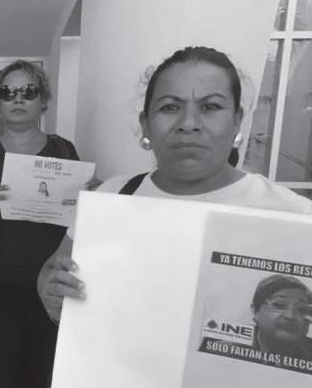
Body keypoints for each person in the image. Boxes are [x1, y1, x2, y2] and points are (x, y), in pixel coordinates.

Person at [37, 46, 312, 322]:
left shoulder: (293, 216)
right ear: (146, 123)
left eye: (210, 107)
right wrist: (52, 292)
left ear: (237, 120)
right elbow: (53, 269)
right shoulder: (114, 195)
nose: (188, 123)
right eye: (170, 107)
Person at [0, 60, 80, 388]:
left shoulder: (64, 152)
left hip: (49, 291)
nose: (18, 99)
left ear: (43, 101)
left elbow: (81, 217)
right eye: (8, 92)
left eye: (28, 91)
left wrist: (88, 196)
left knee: (34, 385)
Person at [251, 274, 312, 359]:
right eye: (279, 305)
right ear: (255, 311)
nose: (290, 316)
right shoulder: (234, 345)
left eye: (301, 309)